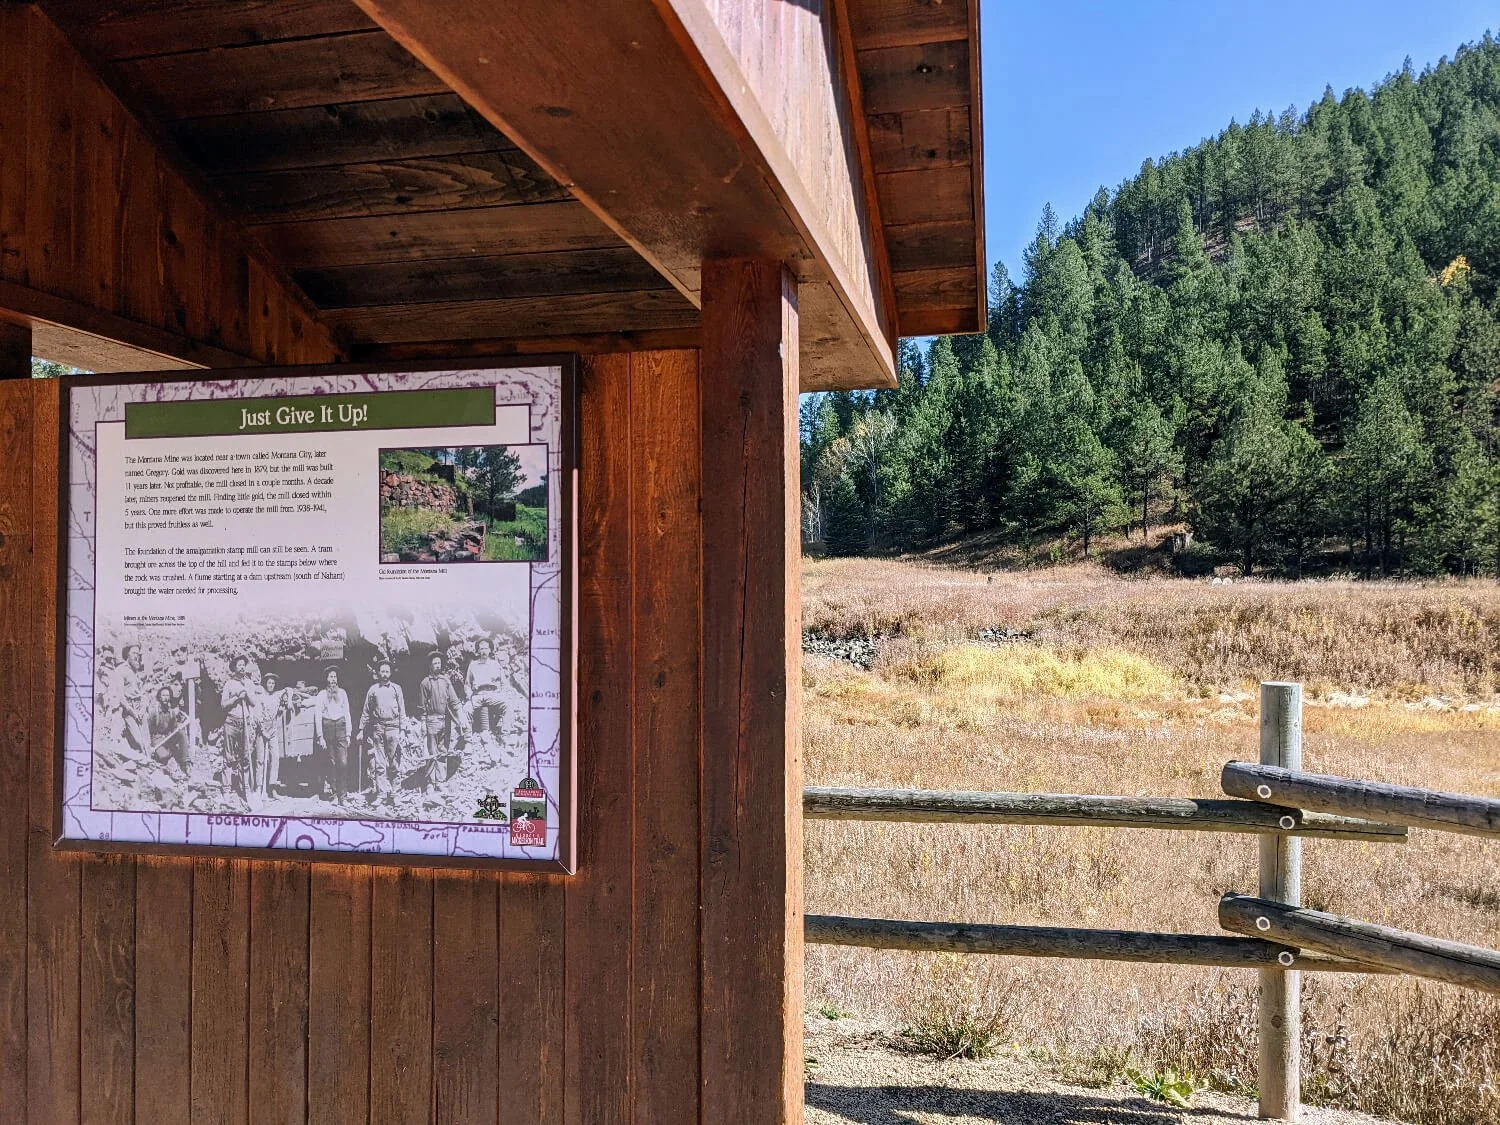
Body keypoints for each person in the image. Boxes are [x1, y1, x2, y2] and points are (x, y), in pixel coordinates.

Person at [357, 659, 406, 803]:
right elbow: (366, 711)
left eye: (387, 671)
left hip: (393, 727)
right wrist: (361, 730)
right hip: (378, 728)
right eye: (382, 671)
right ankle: (381, 794)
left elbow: (402, 710)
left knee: (393, 762)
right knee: (379, 763)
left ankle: (395, 793)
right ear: (378, 673)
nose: (384, 674)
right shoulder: (373, 690)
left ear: (390, 673)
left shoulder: (397, 689)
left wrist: (403, 730)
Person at [419, 651, 464, 789]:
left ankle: (440, 781)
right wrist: (423, 722)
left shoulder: (446, 681)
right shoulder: (425, 683)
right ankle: (430, 783)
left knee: (443, 750)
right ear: (430, 666)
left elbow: (454, 701)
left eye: (439, 663)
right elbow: (422, 706)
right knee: (431, 751)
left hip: (445, 720)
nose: (437, 665)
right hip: (432, 720)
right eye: (434, 663)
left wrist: (460, 717)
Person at [311, 667, 352, 803]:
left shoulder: (343, 693)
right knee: (332, 762)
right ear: (326, 679)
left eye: (334, 677)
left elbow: (347, 713)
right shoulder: (322, 695)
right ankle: (334, 794)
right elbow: (318, 715)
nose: (333, 680)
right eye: (330, 677)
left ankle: (343, 796)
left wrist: (348, 734)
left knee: (343, 762)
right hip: (327, 727)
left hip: (341, 728)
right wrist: (320, 736)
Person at [219, 655, 256, 798]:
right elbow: (223, 704)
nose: (242, 667)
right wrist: (236, 698)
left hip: (245, 723)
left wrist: (246, 695)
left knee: (246, 757)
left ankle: (245, 788)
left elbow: (253, 702)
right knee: (229, 757)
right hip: (231, 722)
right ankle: (226, 789)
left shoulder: (249, 683)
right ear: (234, 668)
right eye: (239, 665)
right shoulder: (229, 683)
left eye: (243, 665)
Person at [464, 637, 507, 738]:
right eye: (481, 649)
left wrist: (501, 693)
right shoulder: (473, 665)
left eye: (486, 648)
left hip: (492, 695)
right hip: (477, 695)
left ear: (490, 650)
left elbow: (504, 683)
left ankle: (505, 733)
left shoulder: (495, 664)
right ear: (478, 651)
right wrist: (469, 697)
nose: (484, 651)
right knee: (466, 709)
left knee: (508, 705)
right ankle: (468, 739)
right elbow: (467, 684)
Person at [146, 683, 190, 775]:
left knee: (181, 733)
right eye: (163, 695)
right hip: (157, 739)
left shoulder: (171, 712)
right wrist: (149, 745)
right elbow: (147, 730)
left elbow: (174, 728)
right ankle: (170, 752)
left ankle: (186, 762)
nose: (165, 698)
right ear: (160, 697)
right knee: (163, 756)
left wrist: (178, 728)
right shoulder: (154, 712)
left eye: (167, 696)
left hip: (167, 737)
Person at [117, 644, 150, 758]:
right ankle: (142, 761)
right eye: (134, 653)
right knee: (138, 741)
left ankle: (149, 762)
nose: (137, 656)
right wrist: (132, 711)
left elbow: (143, 693)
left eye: (138, 654)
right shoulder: (120, 670)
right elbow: (120, 695)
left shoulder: (137, 671)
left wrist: (142, 708)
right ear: (127, 654)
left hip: (140, 708)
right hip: (128, 709)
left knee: (147, 740)